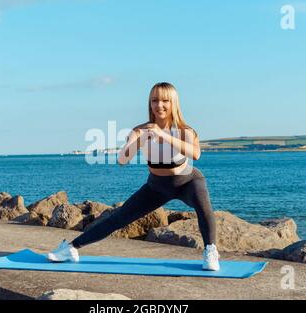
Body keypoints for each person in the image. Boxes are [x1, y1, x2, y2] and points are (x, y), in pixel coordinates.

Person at [47, 82, 220, 271]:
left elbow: (195, 155)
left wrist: (164, 136)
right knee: (119, 217)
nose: (159, 105)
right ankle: (71, 248)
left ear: (174, 103)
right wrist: (138, 141)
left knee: (204, 208)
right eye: (154, 100)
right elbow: (122, 159)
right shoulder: (140, 130)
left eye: (165, 100)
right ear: (149, 103)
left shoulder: (186, 131)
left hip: (188, 181)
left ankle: (211, 251)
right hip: (156, 187)